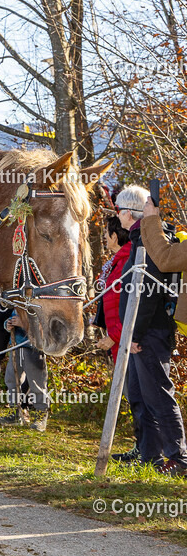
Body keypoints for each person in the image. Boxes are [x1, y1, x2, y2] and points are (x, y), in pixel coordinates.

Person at [115, 186, 187, 475]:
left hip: (150, 330)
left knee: (158, 393)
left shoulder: (149, 240)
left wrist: (134, 332)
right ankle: (151, 455)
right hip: (143, 330)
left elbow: (147, 291)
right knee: (141, 394)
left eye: (118, 211)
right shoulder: (141, 239)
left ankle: (179, 458)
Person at [0, 313, 49, 431]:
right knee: (11, 380)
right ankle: (15, 412)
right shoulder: (17, 302)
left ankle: (41, 415)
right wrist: (8, 324)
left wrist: (24, 323)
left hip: (34, 349)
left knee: (37, 382)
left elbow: (43, 324)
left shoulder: (36, 304)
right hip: (16, 347)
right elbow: (11, 317)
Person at [93, 216, 131, 364]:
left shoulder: (127, 263)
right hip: (118, 341)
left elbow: (133, 306)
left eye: (106, 232)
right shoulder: (116, 263)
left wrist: (114, 337)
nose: (104, 236)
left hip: (126, 342)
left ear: (114, 236)